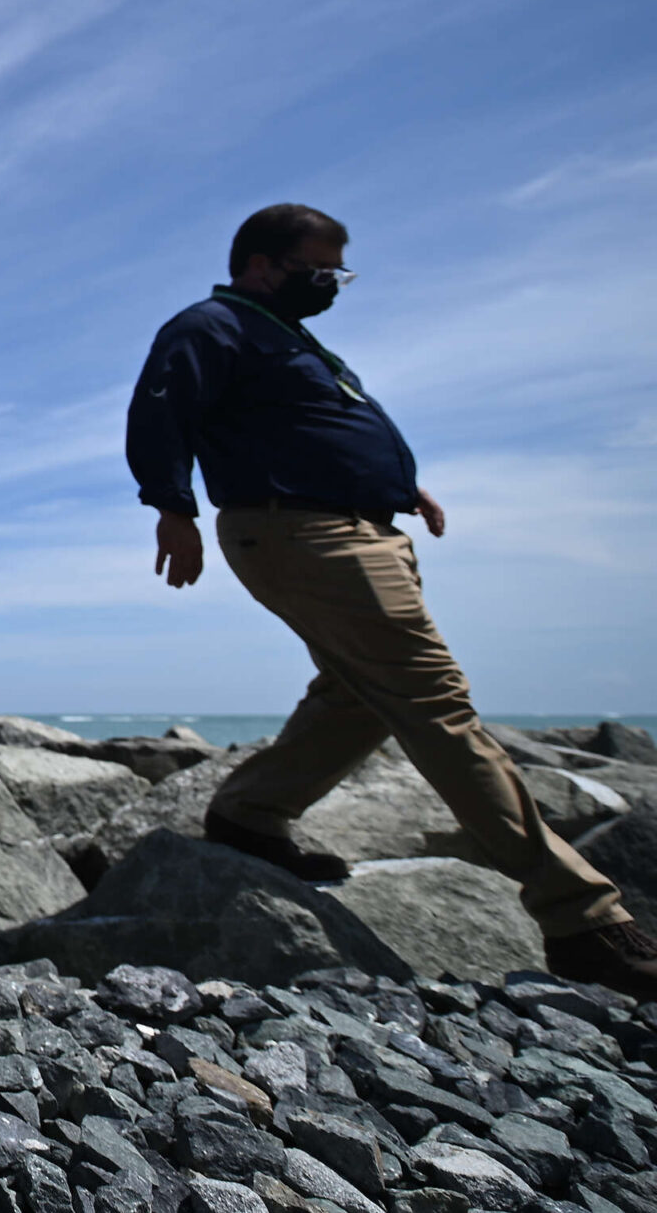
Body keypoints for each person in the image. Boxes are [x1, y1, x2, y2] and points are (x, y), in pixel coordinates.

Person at [130, 202, 657, 999]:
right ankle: (583, 917)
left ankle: (251, 813)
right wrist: (174, 508)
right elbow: (161, 409)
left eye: (340, 271)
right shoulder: (214, 325)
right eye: (320, 269)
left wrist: (400, 486)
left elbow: (316, 422)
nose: (333, 284)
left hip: (355, 528)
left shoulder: (289, 336)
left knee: (359, 693)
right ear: (263, 264)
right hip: (301, 532)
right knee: (433, 700)